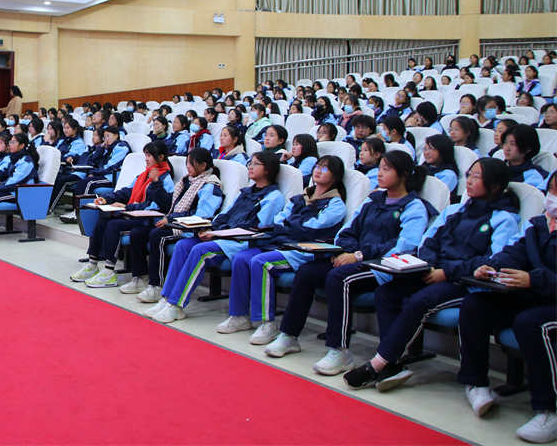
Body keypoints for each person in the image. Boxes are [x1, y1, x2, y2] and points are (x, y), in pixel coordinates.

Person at [343, 158, 521, 392]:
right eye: (469, 174)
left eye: (477, 177)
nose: (469, 180)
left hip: (464, 282)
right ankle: (393, 362)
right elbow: (428, 243)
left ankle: (379, 363)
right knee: (387, 292)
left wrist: (446, 272)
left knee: (421, 301)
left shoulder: (504, 219)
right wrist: (431, 267)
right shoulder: (455, 210)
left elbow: (492, 261)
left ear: (495, 185)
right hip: (434, 271)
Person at [264, 151, 432, 365]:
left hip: (381, 267)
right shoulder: (372, 200)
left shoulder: (413, 206)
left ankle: (339, 349)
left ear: (404, 175)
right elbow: (346, 232)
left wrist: (359, 255)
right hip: (354, 259)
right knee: (307, 272)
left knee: (339, 278)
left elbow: (404, 246)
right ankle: (289, 335)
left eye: (387, 169)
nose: (380, 173)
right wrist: (348, 252)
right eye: (380, 168)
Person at [455, 171, 556, 442]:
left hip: (549, 299)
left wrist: (533, 279)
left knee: (531, 323)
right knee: (475, 304)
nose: (553, 199)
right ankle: (476, 382)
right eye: (552, 191)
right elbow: (514, 252)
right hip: (534, 294)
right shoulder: (539, 225)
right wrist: (491, 266)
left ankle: (549, 408)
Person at [215, 156, 348, 344]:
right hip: (281, 242)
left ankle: (267, 323)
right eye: (317, 166)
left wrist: (290, 225)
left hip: (303, 250)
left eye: (325, 169)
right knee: (242, 258)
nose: (318, 171)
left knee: (261, 262)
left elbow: (312, 228)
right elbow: (279, 220)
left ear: (335, 176)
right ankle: (239, 315)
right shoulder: (299, 198)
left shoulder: (335, 204)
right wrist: (291, 226)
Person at [146, 152, 286, 324]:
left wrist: (217, 234)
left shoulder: (274, 197)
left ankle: (176, 305)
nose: (250, 166)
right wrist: (210, 228)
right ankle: (166, 298)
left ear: (268, 169)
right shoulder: (245, 192)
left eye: (256, 164)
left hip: (240, 241)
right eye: (250, 163)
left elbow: (255, 227)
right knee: (183, 245)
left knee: (201, 250)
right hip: (222, 235)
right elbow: (225, 214)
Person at [69, 142, 175, 289]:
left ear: (161, 157)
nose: (146, 158)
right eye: (145, 155)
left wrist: (127, 207)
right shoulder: (144, 175)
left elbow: (156, 206)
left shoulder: (165, 180)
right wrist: (107, 199)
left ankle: (109, 270)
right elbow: (127, 191)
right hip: (133, 213)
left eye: (149, 155)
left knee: (114, 225)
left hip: (147, 219)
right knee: (104, 217)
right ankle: (93, 263)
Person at [134, 149, 224, 304]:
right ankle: (139, 277)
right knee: (138, 232)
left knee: (158, 235)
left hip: (189, 229)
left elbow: (202, 215)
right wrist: (156, 183)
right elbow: (168, 203)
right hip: (174, 221)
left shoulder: (210, 185)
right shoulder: (185, 181)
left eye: (191, 163)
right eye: (187, 163)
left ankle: (157, 285)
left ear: (203, 166)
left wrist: (171, 219)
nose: (187, 166)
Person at [501, 124, 548, 191]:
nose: (507, 148)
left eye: (512, 144)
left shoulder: (534, 175)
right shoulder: (497, 168)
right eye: (505, 143)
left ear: (527, 149)